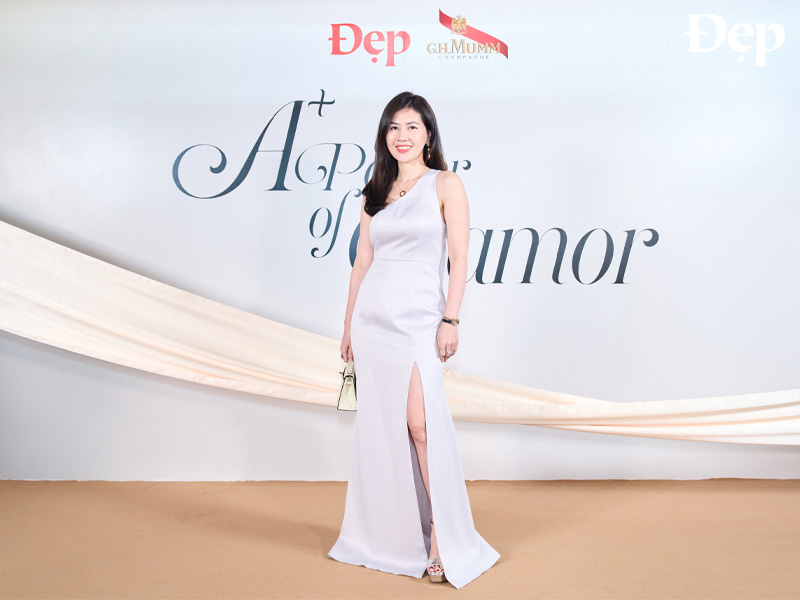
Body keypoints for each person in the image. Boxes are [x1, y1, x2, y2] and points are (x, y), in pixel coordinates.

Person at [327, 91, 500, 589]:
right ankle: (398, 535)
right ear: (384, 135)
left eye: (411, 127)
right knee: (386, 430)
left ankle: (443, 535)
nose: (401, 136)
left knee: (421, 426)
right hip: (373, 323)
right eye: (393, 127)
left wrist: (451, 319)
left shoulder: (446, 184)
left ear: (428, 135)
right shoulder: (374, 190)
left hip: (421, 321)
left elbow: (459, 259)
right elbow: (362, 261)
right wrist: (348, 325)